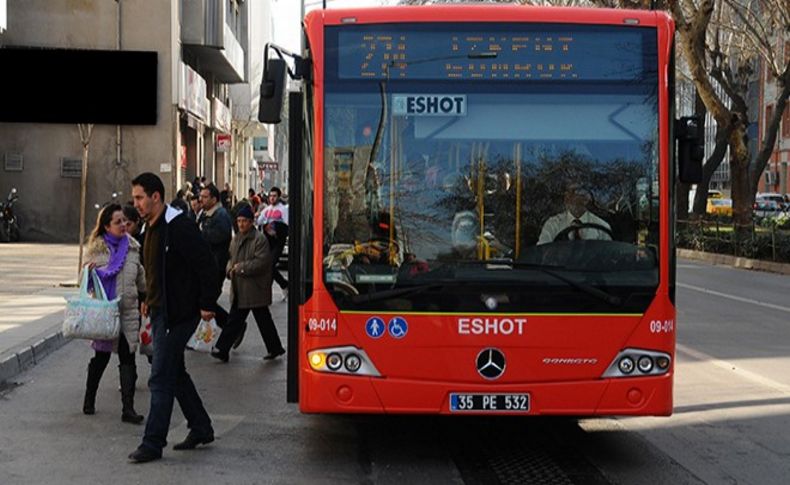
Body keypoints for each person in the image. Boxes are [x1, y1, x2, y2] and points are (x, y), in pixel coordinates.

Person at [127, 173, 219, 463]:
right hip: (158, 310)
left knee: (161, 377)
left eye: (140, 198)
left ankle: (153, 443)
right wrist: (146, 301)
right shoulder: (148, 229)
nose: (136, 204)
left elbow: (207, 264)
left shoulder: (179, 227)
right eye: (134, 199)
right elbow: (153, 271)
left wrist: (207, 303)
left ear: (156, 197)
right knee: (175, 374)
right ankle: (201, 427)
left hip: (179, 314)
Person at [82, 203, 146, 424]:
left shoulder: (133, 248)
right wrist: (88, 274)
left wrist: (147, 298)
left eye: (125, 222)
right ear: (107, 226)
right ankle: (89, 399)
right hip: (105, 313)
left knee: (128, 358)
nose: (123, 225)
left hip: (128, 311)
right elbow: (86, 284)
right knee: (101, 358)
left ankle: (128, 409)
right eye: (118, 222)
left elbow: (141, 279)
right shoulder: (97, 251)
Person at [210, 205, 286, 363]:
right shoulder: (236, 238)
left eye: (244, 221)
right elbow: (231, 257)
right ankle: (273, 347)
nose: (241, 224)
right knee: (240, 319)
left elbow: (261, 262)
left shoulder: (259, 239)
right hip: (240, 286)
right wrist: (230, 268)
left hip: (255, 287)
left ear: (251, 222)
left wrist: (241, 268)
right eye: (239, 221)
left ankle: (222, 348)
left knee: (255, 319)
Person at [198, 184, 232, 330]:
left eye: (205, 197)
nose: (201, 200)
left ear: (214, 199)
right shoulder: (205, 214)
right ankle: (232, 328)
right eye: (201, 197)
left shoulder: (221, 215)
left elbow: (221, 236)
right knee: (205, 300)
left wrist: (201, 234)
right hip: (207, 264)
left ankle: (232, 328)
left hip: (217, 265)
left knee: (207, 300)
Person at [537, 182, 612, 245]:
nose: (568, 197)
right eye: (566, 193)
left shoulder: (602, 227)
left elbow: (607, 257)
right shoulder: (553, 224)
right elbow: (543, 252)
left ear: (586, 199)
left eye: (574, 192)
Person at [256, 187, 289, 299]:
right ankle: (283, 284)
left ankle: (268, 291)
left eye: (274, 196)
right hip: (267, 242)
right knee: (267, 266)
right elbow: (259, 221)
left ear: (278, 197)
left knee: (269, 265)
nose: (272, 198)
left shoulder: (284, 209)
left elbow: (287, 225)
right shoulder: (266, 210)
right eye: (270, 196)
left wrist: (276, 228)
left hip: (278, 242)